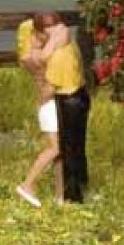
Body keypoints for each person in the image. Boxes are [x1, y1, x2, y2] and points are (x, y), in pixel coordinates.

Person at [26, 11, 89, 203]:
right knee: (75, 146)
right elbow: (61, 32)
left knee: (66, 148)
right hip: (80, 94)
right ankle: (72, 189)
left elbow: (50, 88)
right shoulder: (69, 45)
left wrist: (39, 104)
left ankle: (71, 195)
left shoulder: (57, 55)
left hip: (67, 100)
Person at [14, 17, 62, 207]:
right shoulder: (38, 57)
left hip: (47, 104)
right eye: (44, 32)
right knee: (55, 148)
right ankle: (27, 184)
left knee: (60, 151)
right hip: (49, 104)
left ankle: (60, 195)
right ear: (34, 34)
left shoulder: (28, 56)